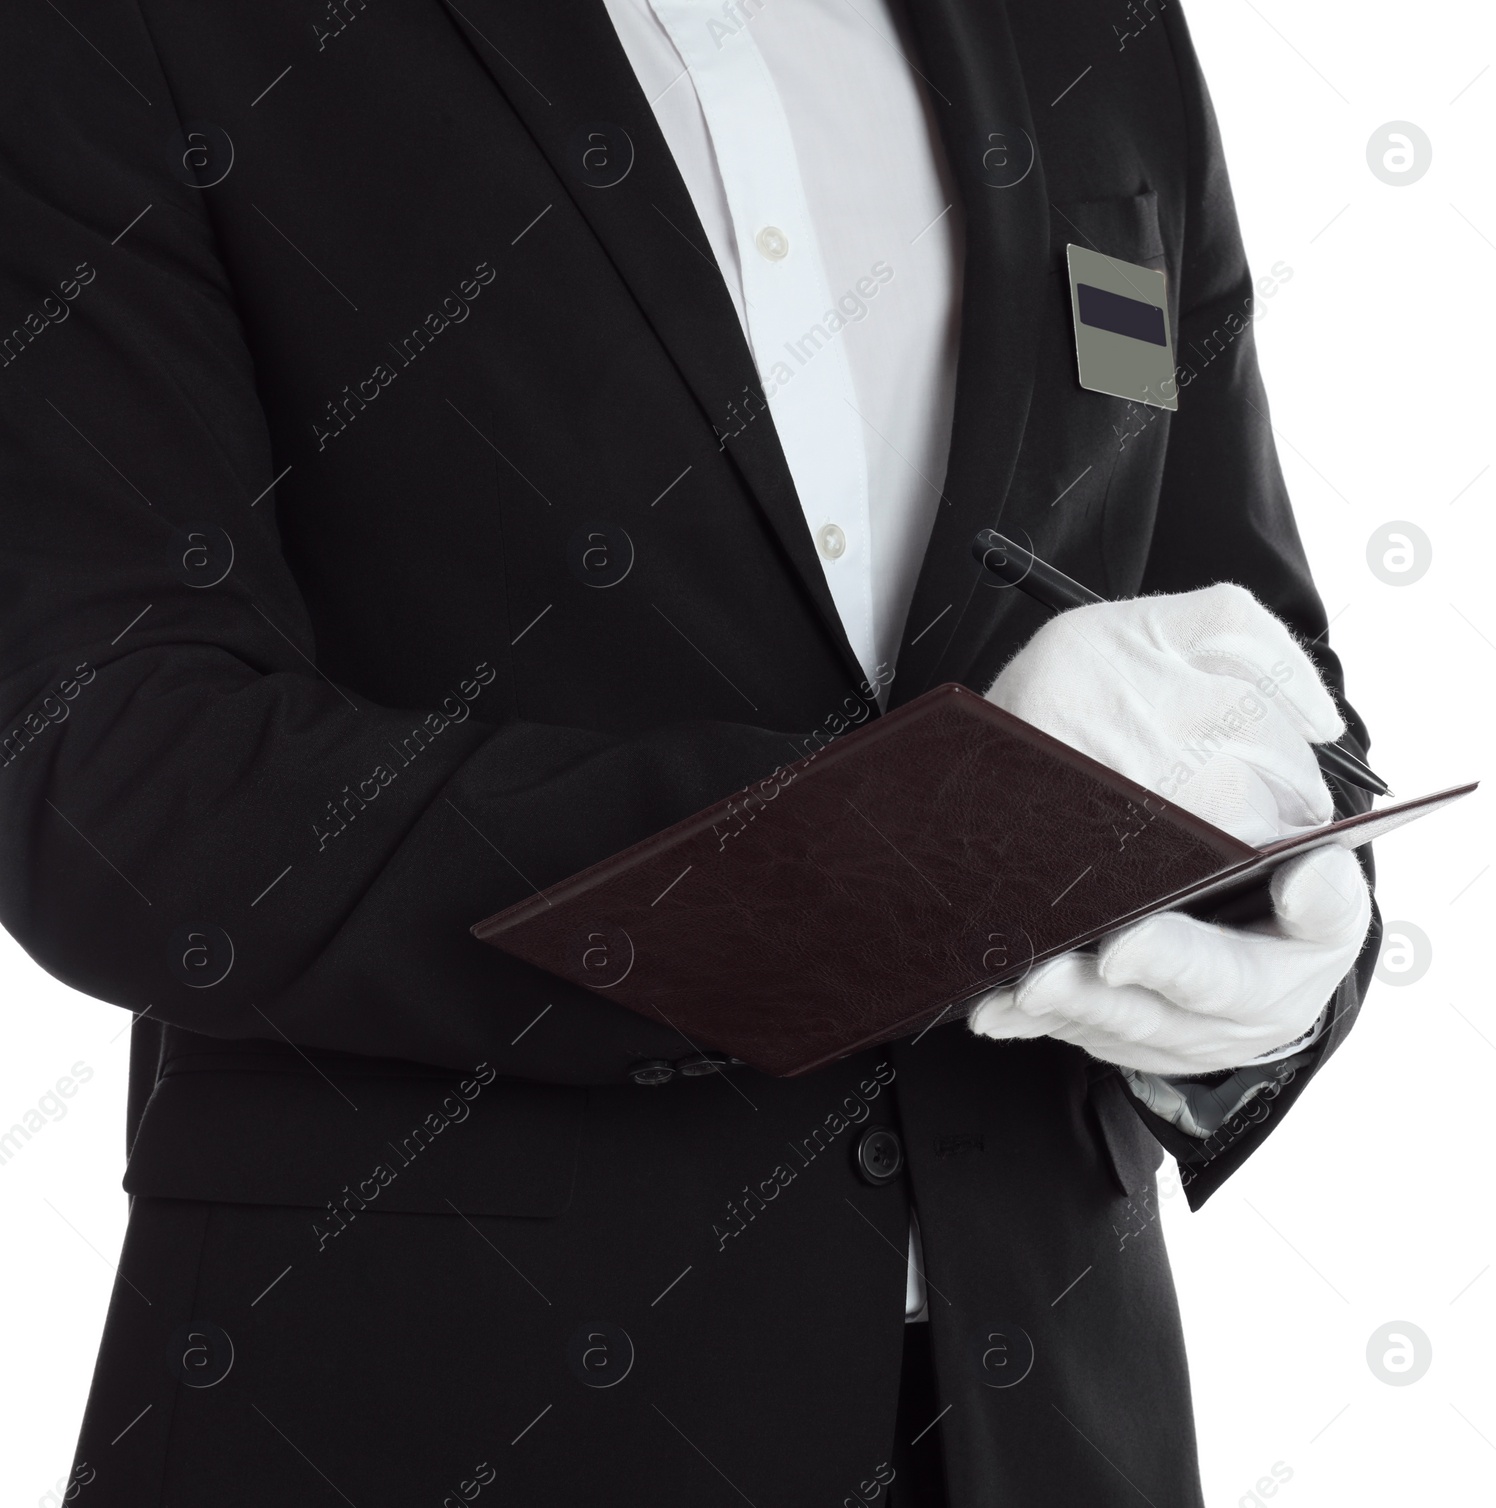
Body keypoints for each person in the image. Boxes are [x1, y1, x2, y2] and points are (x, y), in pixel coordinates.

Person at [0, 0, 1378, 1502]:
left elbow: (1239, 656)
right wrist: (903, 850)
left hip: (1048, 1426)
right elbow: (110, 773)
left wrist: (1285, 940)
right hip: (433, 1405)